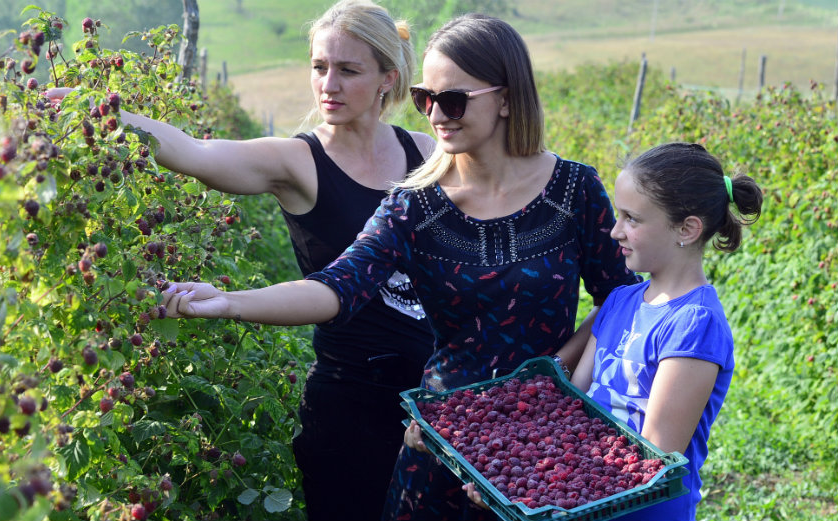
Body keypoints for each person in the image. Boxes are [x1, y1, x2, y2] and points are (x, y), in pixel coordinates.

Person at [159, 13, 639, 520]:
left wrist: (556, 380)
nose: (437, 116)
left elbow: (622, 298)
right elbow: (337, 288)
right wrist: (230, 303)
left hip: (539, 444)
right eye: (425, 99)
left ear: (505, 97)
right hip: (440, 442)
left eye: (453, 100)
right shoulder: (414, 205)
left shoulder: (573, 191)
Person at [48, 2, 436, 520]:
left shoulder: (426, 153)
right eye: (320, 67)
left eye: (348, 70)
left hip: (438, 397)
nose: (328, 84)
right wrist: (99, 108)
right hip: (352, 405)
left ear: (388, 77)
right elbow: (198, 154)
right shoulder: (297, 161)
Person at [565, 142, 763, 520]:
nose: (614, 232)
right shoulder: (620, 301)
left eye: (632, 219)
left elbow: (654, 456)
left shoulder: (694, 324)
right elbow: (573, 404)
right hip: (585, 497)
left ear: (686, 229)